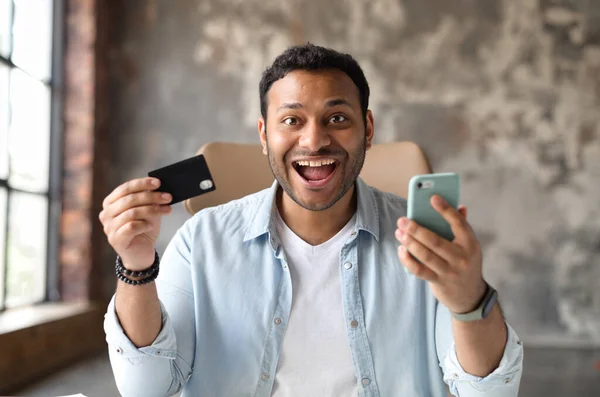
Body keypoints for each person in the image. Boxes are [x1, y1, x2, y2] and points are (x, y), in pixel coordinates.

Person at [100, 44, 523, 397]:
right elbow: (146, 388)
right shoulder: (202, 239)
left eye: (337, 118)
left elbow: (488, 392)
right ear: (265, 134)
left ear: (368, 128)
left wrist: (472, 302)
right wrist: (136, 266)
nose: (315, 139)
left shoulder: (426, 242)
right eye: (292, 120)